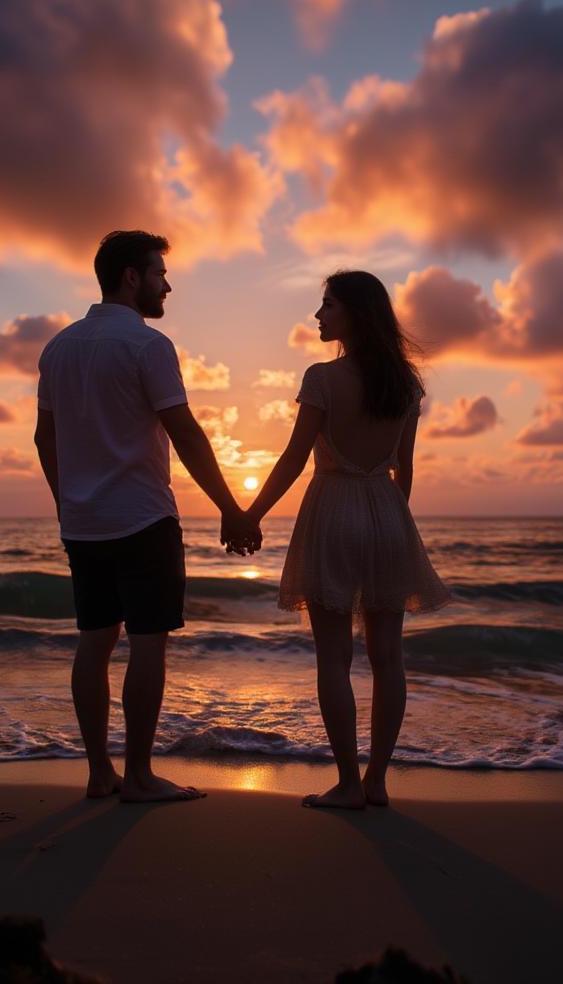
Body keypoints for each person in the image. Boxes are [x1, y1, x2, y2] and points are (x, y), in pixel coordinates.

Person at [34, 230, 260, 803]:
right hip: (142, 517)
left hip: (83, 524)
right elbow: (183, 431)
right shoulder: (147, 346)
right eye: (159, 271)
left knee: (95, 641)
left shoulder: (58, 348)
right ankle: (137, 776)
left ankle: (98, 773)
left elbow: (44, 437)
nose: (167, 282)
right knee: (147, 643)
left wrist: (68, 503)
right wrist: (232, 510)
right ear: (131, 277)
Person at [246, 270, 451, 809]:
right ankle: (377, 783)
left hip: (333, 507)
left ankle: (345, 784)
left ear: (354, 314)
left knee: (333, 658)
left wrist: (251, 514)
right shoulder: (406, 384)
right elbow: (404, 469)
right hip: (386, 511)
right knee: (388, 658)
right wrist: (390, 525)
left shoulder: (321, 378)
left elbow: (294, 459)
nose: (318, 316)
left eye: (328, 306)